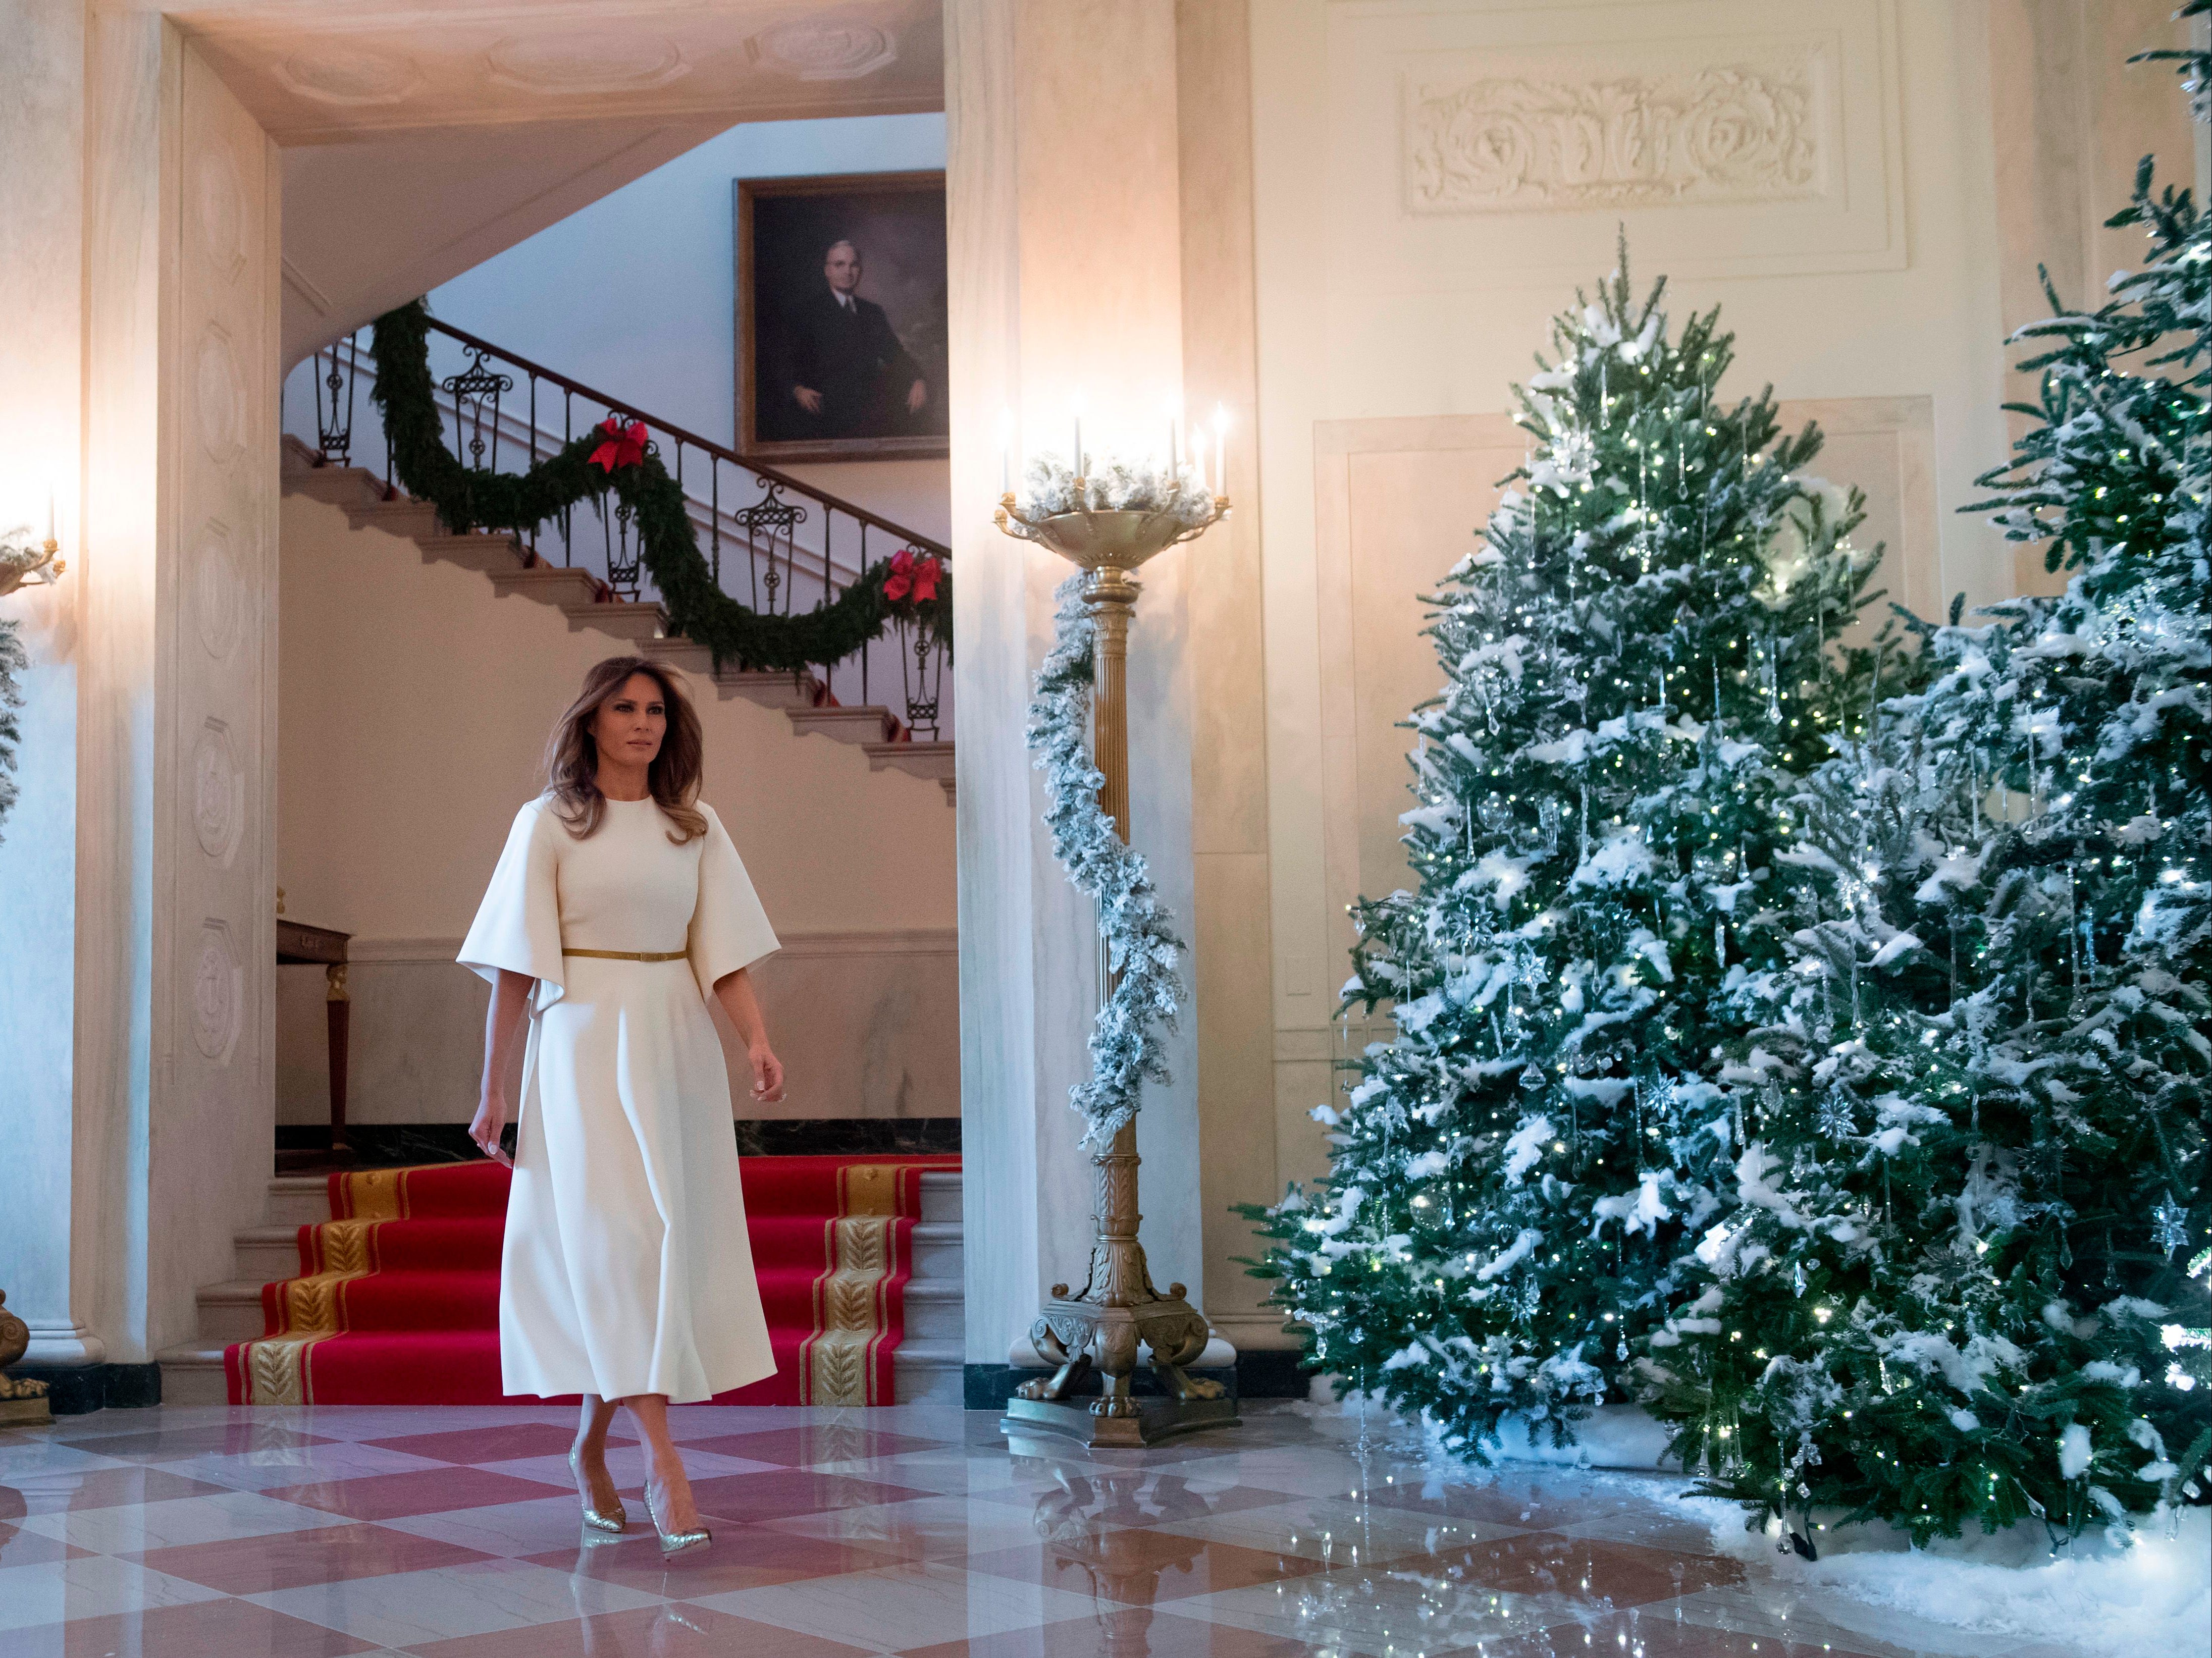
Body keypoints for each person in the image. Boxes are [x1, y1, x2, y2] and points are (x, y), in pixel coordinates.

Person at [459, 655, 785, 1553]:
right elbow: (516, 970)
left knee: (654, 1251)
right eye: (623, 708)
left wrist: (752, 1040)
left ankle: (589, 1449)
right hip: (580, 1047)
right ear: (591, 722)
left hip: (674, 1042)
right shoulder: (550, 824)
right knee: (617, 1247)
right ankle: (665, 1464)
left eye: (654, 710)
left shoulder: (695, 827)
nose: (642, 723)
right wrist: (494, 1089)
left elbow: (721, 952)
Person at [780, 237, 928, 438]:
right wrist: (797, 390)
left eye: (854, 265)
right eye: (840, 265)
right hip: (824, 413)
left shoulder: (873, 313)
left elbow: (896, 354)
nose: (848, 272)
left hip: (868, 413)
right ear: (828, 271)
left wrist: (917, 379)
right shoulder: (808, 312)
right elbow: (784, 362)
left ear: (860, 271)